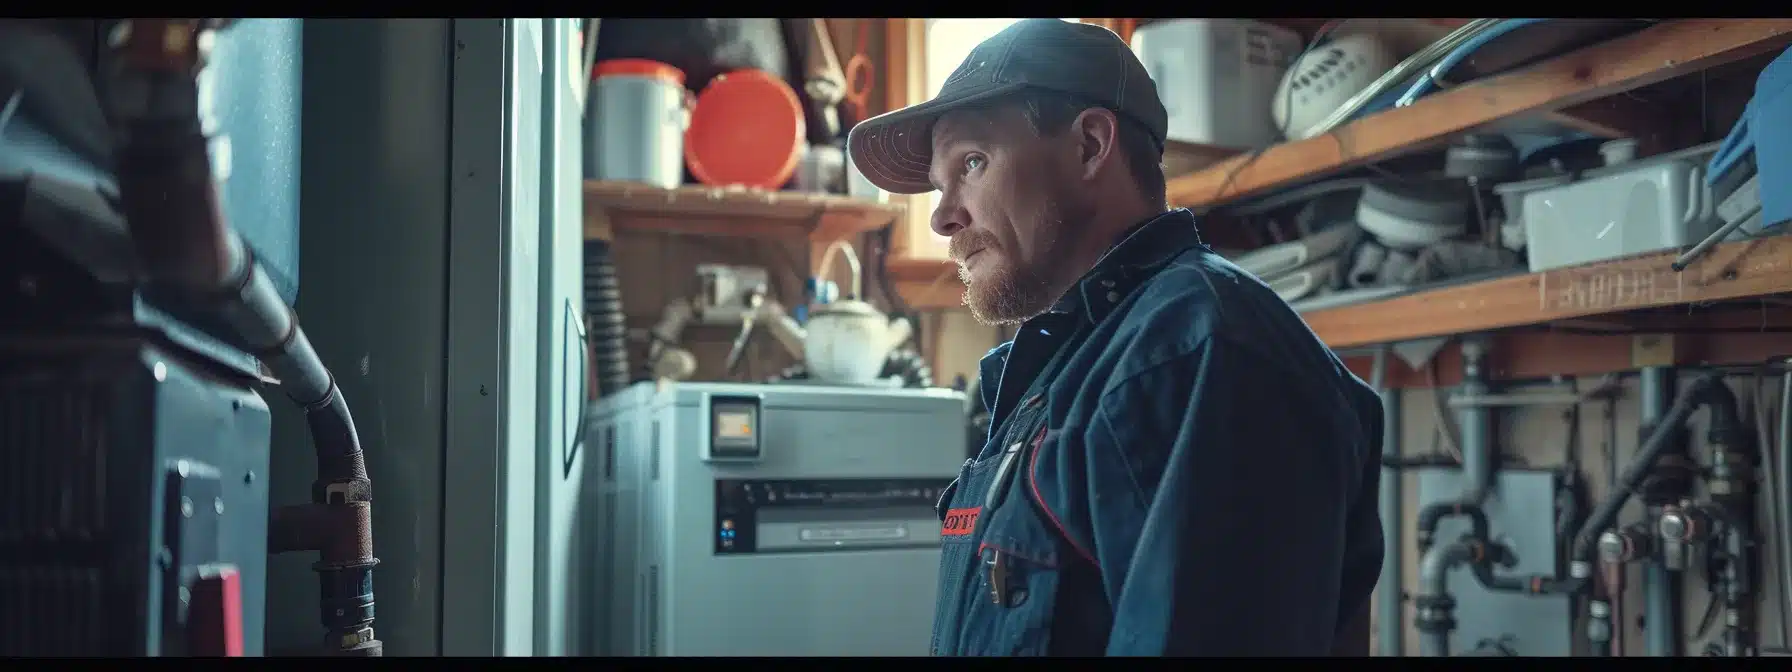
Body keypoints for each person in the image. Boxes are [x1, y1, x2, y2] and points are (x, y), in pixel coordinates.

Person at [847, 19, 1385, 657]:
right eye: (941, 185)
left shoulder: (1199, 353)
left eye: (973, 163)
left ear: (1090, 146)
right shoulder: (1072, 366)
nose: (942, 217)